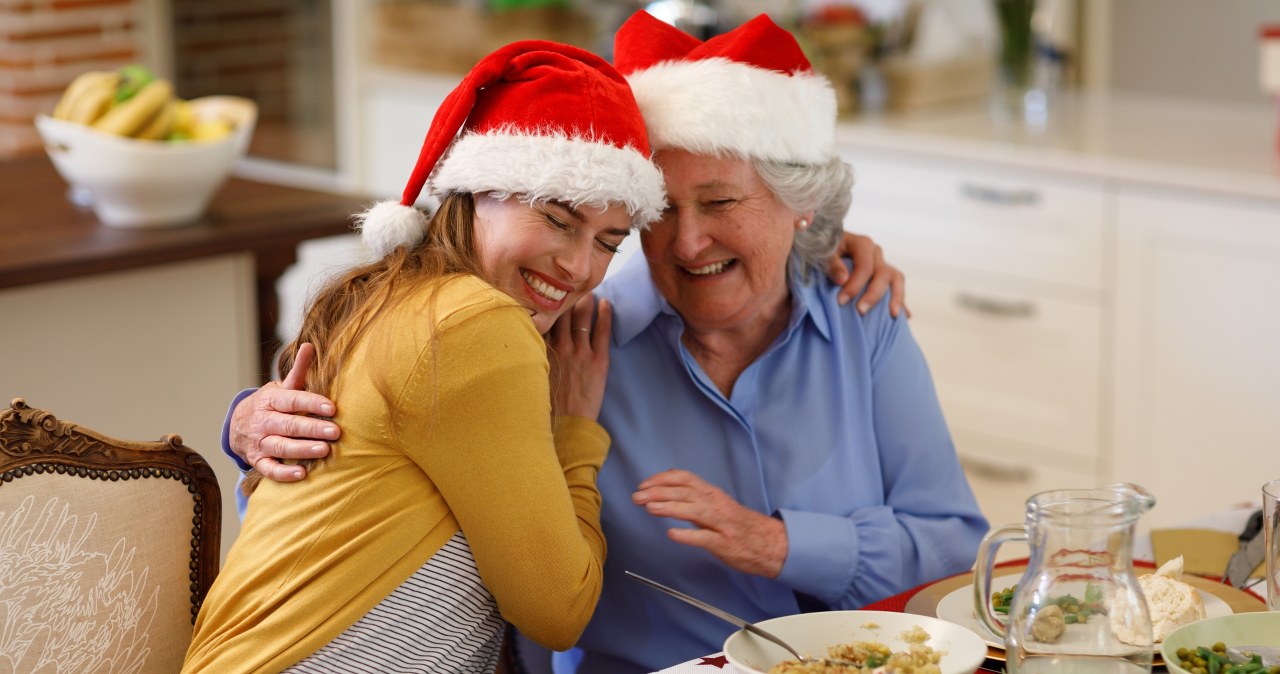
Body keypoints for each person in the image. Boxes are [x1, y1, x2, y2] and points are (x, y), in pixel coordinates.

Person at [223, 13, 988, 674]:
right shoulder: (562, 332)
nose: (688, 243)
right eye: (660, 215)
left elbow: (955, 549)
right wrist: (248, 423)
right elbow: (365, 471)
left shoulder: (862, 317)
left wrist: (780, 545)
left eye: (720, 202)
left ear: (801, 206)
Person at [181, 40, 668, 673]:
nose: (579, 266)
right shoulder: (477, 321)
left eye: (608, 243)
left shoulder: (393, 295)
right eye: (556, 219)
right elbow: (559, 612)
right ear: (475, 192)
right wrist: (576, 433)